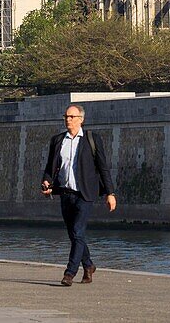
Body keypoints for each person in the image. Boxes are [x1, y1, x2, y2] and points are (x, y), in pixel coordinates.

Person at [41, 103, 117, 286]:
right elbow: (50, 166)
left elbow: (103, 167)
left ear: (81, 119)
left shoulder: (92, 139)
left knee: (77, 231)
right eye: (66, 116)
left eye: (71, 117)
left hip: (85, 194)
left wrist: (110, 193)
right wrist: (46, 181)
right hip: (65, 193)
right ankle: (88, 265)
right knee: (74, 235)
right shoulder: (58, 140)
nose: (68, 120)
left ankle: (70, 273)